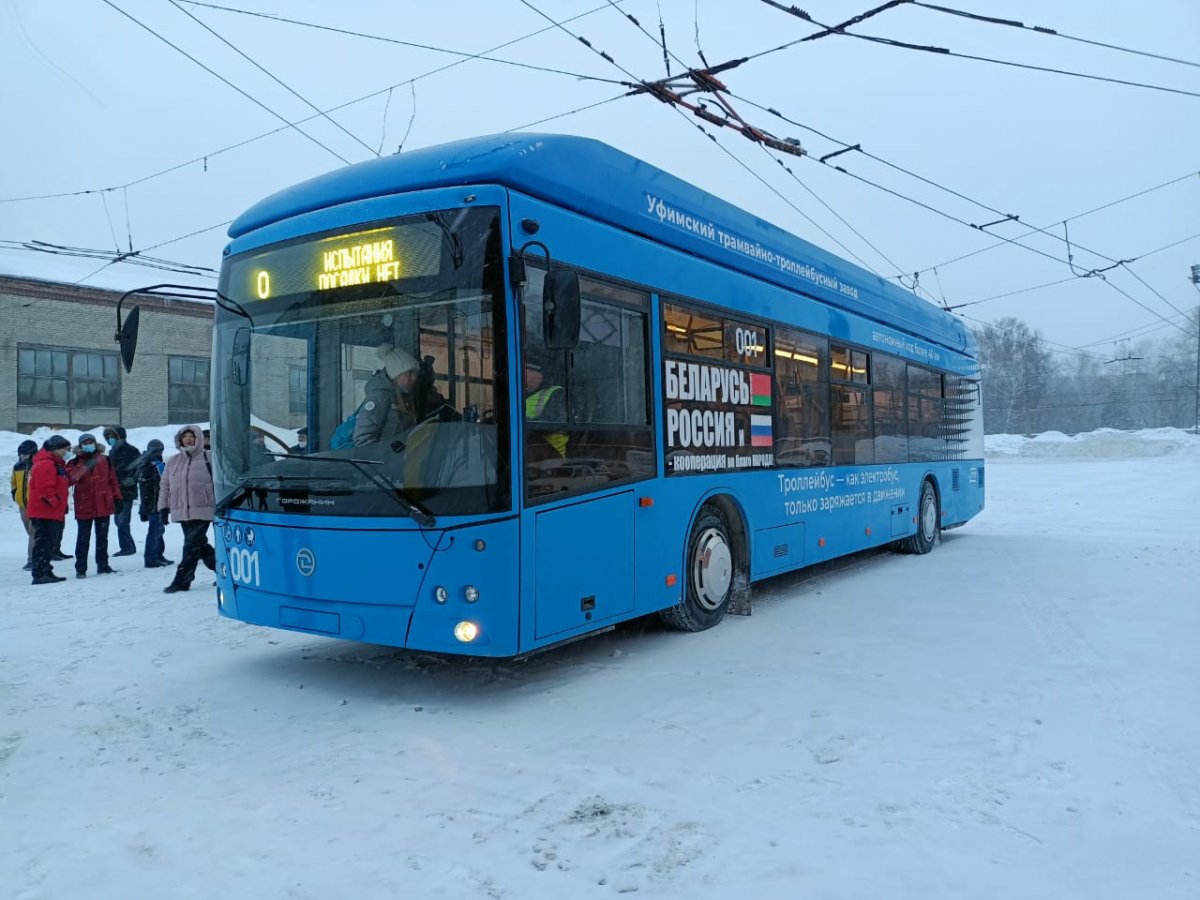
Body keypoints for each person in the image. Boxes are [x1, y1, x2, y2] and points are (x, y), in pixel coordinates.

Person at [157, 424, 216, 593]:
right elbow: (165, 485)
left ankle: (182, 580)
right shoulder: (173, 461)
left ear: (198, 439)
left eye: (192, 436)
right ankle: (223, 569)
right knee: (199, 545)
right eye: (185, 436)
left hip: (204, 509)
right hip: (181, 510)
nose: (188, 439)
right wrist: (163, 508)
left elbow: (219, 482)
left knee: (190, 546)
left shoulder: (209, 457)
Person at [66, 432, 122, 578]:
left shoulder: (105, 460)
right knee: (83, 538)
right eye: (85, 443)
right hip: (84, 505)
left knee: (103, 538)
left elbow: (112, 481)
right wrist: (81, 466)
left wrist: (118, 498)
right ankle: (81, 568)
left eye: (90, 442)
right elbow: (70, 480)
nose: (88, 445)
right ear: (80, 446)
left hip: (103, 504)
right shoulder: (73, 463)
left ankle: (103, 565)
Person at [352, 344, 423, 447]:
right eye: (410, 373)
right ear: (397, 374)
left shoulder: (403, 396)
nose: (414, 378)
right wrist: (382, 459)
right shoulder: (379, 397)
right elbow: (362, 438)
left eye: (416, 374)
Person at [27, 435, 72, 585]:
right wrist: (56, 503)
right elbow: (45, 489)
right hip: (45, 512)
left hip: (50, 511)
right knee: (43, 543)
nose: (67, 451)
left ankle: (45, 569)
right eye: (65, 449)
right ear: (56, 449)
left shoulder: (55, 464)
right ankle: (40, 573)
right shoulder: (46, 464)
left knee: (47, 543)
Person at [134, 438, 174, 569]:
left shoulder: (143, 464)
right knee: (156, 530)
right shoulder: (156, 465)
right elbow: (165, 485)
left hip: (147, 502)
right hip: (156, 503)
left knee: (157, 529)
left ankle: (157, 555)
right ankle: (152, 558)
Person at [103, 425, 140, 557]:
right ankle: (127, 545)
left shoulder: (131, 450)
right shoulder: (112, 452)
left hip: (126, 490)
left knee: (122, 520)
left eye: (112, 437)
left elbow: (138, 467)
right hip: (116, 490)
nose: (109, 439)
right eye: (107, 437)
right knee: (119, 520)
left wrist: (132, 479)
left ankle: (127, 547)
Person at [524, 357, 568, 459]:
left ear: (535, 373)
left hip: (551, 457)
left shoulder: (557, 393)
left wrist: (521, 423)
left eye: (524, 371)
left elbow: (552, 425)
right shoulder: (524, 396)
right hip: (529, 454)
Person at [10, 439, 38, 571]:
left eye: (25, 454)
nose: (22, 456)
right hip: (22, 505)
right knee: (30, 532)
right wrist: (15, 495)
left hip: (35, 504)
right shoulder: (17, 467)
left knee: (33, 532)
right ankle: (39, 553)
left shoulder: (37, 466)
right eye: (21, 454)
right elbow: (13, 483)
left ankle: (32, 559)